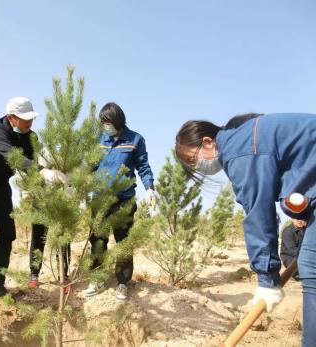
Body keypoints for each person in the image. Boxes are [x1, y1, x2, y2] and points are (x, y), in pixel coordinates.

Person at [175, 112, 316, 347]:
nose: (198, 167)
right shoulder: (244, 137)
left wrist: (266, 279)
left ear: (208, 142)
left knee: (311, 266)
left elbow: (258, 213)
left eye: (193, 159)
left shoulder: (240, 151)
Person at [0, 97, 65, 308]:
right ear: (11, 118)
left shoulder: (31, 138)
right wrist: (42, 171)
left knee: (7, 232)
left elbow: (35, 163)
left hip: (0, 185)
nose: (29, 122)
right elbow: (13, 158)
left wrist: (44, 181)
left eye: (31, 118)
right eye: (24, 119)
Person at [83, 102, 155, 301]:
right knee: (98, 240)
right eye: (102, 122)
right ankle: (96, 279)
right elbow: (89, 166)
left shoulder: (135, 140)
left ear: (118, 121)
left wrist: (149, 187)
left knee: (123, 242)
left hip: (124, 200)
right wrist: (76, 183)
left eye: (108, 122)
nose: (105, 126)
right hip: (100, 200)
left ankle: (123, 283)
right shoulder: (98, 140)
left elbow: (143, 166)